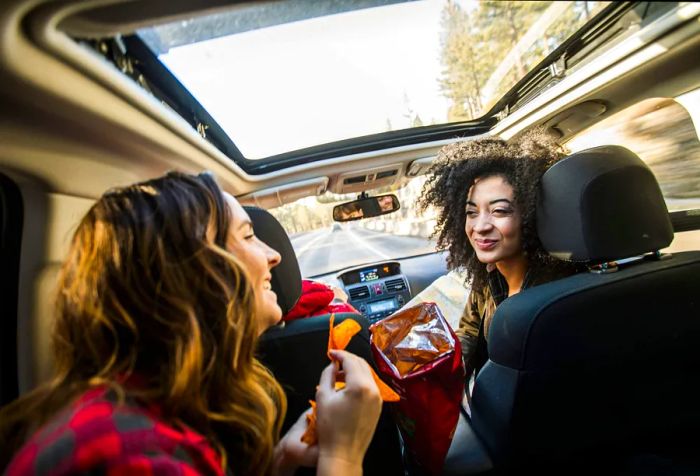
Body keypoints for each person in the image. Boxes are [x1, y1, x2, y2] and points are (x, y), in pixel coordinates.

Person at [0, 172, 382, 476]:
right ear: (194, 271)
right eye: (249, 235)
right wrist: (343, 456)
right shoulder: (131, 454)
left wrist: (279, 461)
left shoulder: (148, 413)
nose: (274, 255)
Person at [419, 134, 582, 378]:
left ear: (531, 214)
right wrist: (436, 369)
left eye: (499, 211)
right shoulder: (488, 275)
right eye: (471, 212)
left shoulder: (554, 298)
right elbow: (470, 331)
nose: (480, 226)